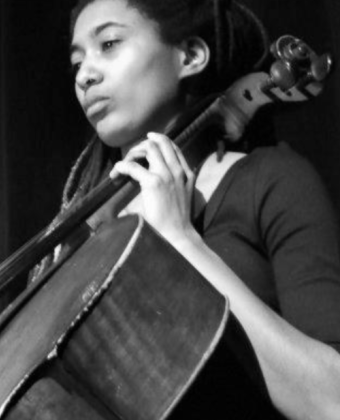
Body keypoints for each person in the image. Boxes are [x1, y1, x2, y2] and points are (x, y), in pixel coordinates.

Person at [65, 0, 340, 418]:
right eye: (77, 62)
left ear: (190, 56)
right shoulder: (85, 238)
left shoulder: (272, 181)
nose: (85, 75)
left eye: (109, 43)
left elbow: (332, 399)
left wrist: (181, 240)